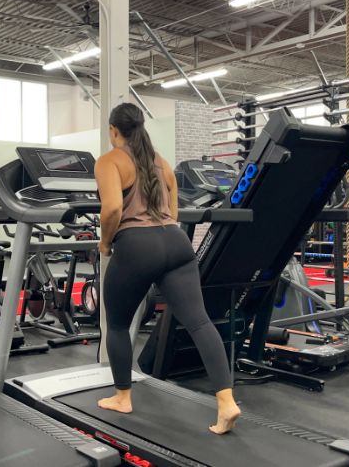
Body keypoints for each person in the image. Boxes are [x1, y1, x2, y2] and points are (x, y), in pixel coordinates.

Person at [94, 103, 241, 435]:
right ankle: (226, 402)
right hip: (175, 242)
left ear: (114, 130)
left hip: (135, 246)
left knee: (116, 324)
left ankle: (122, 397)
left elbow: (113, 207)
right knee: (200, 322)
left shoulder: (108, 161)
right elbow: (174, 210)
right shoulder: (161, 162)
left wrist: (105, 243)